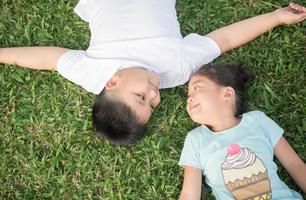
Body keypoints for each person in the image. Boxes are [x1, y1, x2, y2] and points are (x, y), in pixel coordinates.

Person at [1, 1, 306, 145]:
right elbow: (223, 40)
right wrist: (274, 17)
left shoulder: (92, 72)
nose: (154, 93)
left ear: (113, 82)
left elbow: (45, 58)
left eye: (140, 97)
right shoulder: (177, 69)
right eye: (153, 102)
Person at [178, 63, 306, 199]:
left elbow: (294, 164)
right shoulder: (196, 139)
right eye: (188, 95)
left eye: (196, 87)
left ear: (227, 93)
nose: (189, 99)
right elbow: (189, 194)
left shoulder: (257, 121)